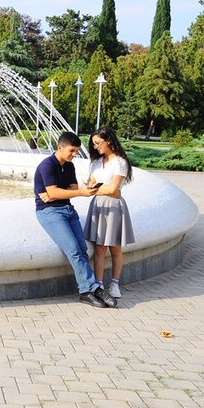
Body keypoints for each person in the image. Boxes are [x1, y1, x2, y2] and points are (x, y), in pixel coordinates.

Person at [34, 131, 118, 308]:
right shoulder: (47, 166)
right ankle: (88, 291)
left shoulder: (69, 166)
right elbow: (56, 193)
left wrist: (65, 192)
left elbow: (67, 189)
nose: (74, 155)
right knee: (73, 250)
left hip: (67, 210)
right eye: (72, 151)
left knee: (82, 248)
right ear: (60, 147)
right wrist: (64, 193)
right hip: (49, 212)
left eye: (77, 151)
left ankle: (92, 288)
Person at [84, 127, 135, 298]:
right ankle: (99, 283)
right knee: (99, 248)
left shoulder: (120, 162)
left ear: (109, 141)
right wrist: (102, 188)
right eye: (94, 144)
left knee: (115, 248)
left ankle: (114, 284)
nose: (96, 146)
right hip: (98, 206)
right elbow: (89, 186)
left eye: (98, 143)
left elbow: (114, 190)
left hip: (113, 207)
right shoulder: (95, 163)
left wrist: (98, 188)